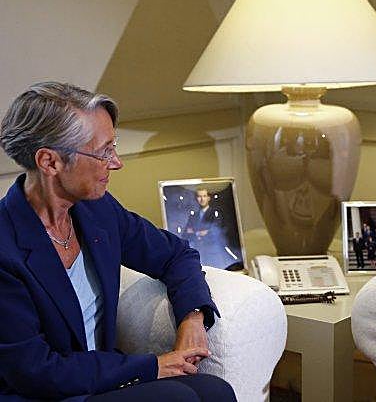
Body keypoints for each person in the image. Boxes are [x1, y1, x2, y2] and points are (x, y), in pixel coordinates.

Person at [0, 82, 236, 401]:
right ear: (49, 162)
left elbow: (176, 255)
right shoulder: (6, 248)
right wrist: (150, 366)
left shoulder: (97, 211)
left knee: (216, 391)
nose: (116, 162)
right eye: (103, 152)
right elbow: (35, 371)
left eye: (114, 146)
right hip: (44, 393)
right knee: (176, 397)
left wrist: (192, 317)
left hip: (100, 381)